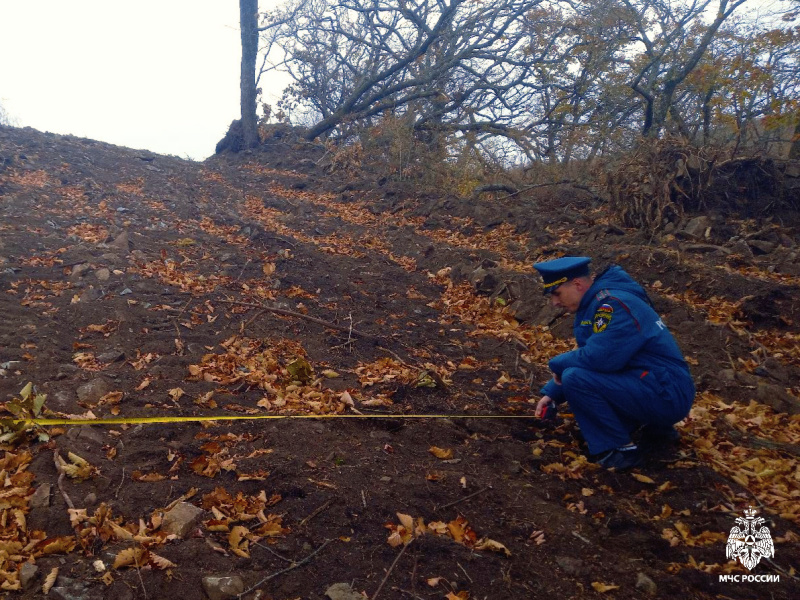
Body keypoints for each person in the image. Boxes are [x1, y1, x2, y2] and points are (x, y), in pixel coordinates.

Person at [532, 256, 695, 470]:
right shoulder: (601, 301)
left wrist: (556, 363)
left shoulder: (613, 305)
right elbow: (593, 354)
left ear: (578, 285)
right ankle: (655, 429)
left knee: (575, 378)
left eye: (556, 293)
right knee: (575, 374)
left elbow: (599, 357)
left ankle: (618, 451)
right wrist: (552, 394)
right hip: (657, 384)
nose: (554, 302)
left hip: (667, 393)